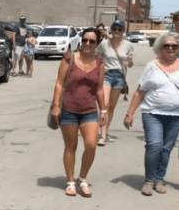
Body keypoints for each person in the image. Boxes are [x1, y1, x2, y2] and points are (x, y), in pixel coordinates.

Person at [123, 32, 179, 196]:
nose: (170, 48)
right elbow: (139, 92)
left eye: (174, 46)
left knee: (166, 149)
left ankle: (159, 179)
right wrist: (130, 114)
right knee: (154, 146)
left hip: (177, 115)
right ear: (160, 47)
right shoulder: (152, 66)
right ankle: (149, 180)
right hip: (152, 113)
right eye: (167, 45)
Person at [49, 28, 107, 197]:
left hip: (89, 110)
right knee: (71, 147)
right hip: (68, 110)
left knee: (91, 144)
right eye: (85, 40)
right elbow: (60, 83)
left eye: (92, 41)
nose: (87, 44)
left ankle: (82, 178)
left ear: (97, 44)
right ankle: (70, 182)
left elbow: (100, 89)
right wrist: (56, 105)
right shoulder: (70, 58)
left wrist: (103, 109)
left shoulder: (100, 62)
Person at [96, 20, 134, 146]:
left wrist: (129, 62)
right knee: (105, 104)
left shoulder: (128, 45)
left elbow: (130, 65)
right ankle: (101, 135)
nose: (117, 32)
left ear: (123, 31)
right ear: (111, 30)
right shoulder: (104, 44)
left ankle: (105, 131)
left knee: (112, 106)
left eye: (120, 29)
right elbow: (98, 59)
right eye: (114, 29)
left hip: (119, 76)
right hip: (106, 75)